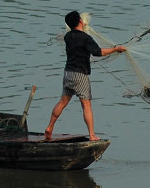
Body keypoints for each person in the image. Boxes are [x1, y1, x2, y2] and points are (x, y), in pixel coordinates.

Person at [44, 11, 126, 141]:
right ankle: (92, 135)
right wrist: (116, 49)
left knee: (62, 102)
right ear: (81, 21)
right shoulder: (86, 38)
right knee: (86, 105)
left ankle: (49, 127)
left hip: (68, 73)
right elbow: (98, 52)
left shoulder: (68, 36)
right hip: (80, 75)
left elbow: (78, 41)